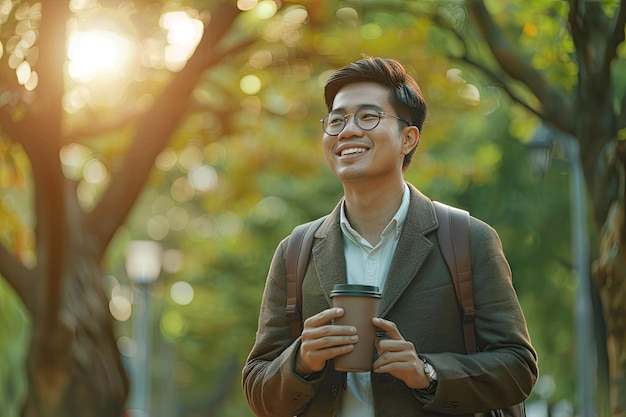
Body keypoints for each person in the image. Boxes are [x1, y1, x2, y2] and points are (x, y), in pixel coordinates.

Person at [242, 56, 538, 417]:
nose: (347, 131)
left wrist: (427, 373)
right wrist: (301, 361)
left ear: (408, 139)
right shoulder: (296, 251)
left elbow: (518, 368)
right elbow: (258, 388)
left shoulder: (467, 239)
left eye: (367, 117)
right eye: (336, 120)